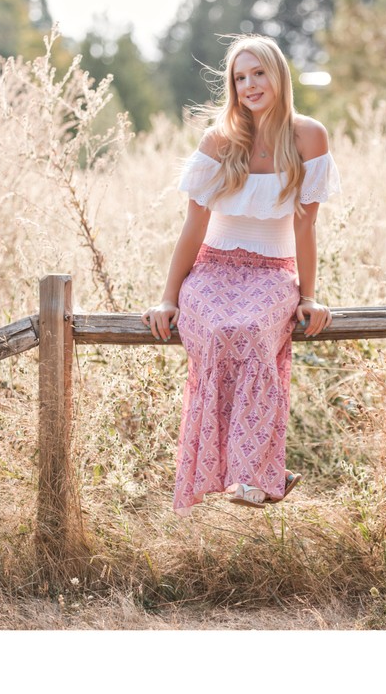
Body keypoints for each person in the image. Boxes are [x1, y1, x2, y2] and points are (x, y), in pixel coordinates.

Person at [142, 35, 341, 517]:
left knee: (251, 331)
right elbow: (193, 226)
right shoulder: (219, 140)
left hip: (273, 273)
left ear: (279, 76)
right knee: (217, 331)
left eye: (258, 73)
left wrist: (309, 296)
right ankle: (234, 470)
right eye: (239, 77)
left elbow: (305, 227)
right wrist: (168, 297)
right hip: (212, 269)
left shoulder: (309, 137)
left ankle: (256, 474)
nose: (249, 85)